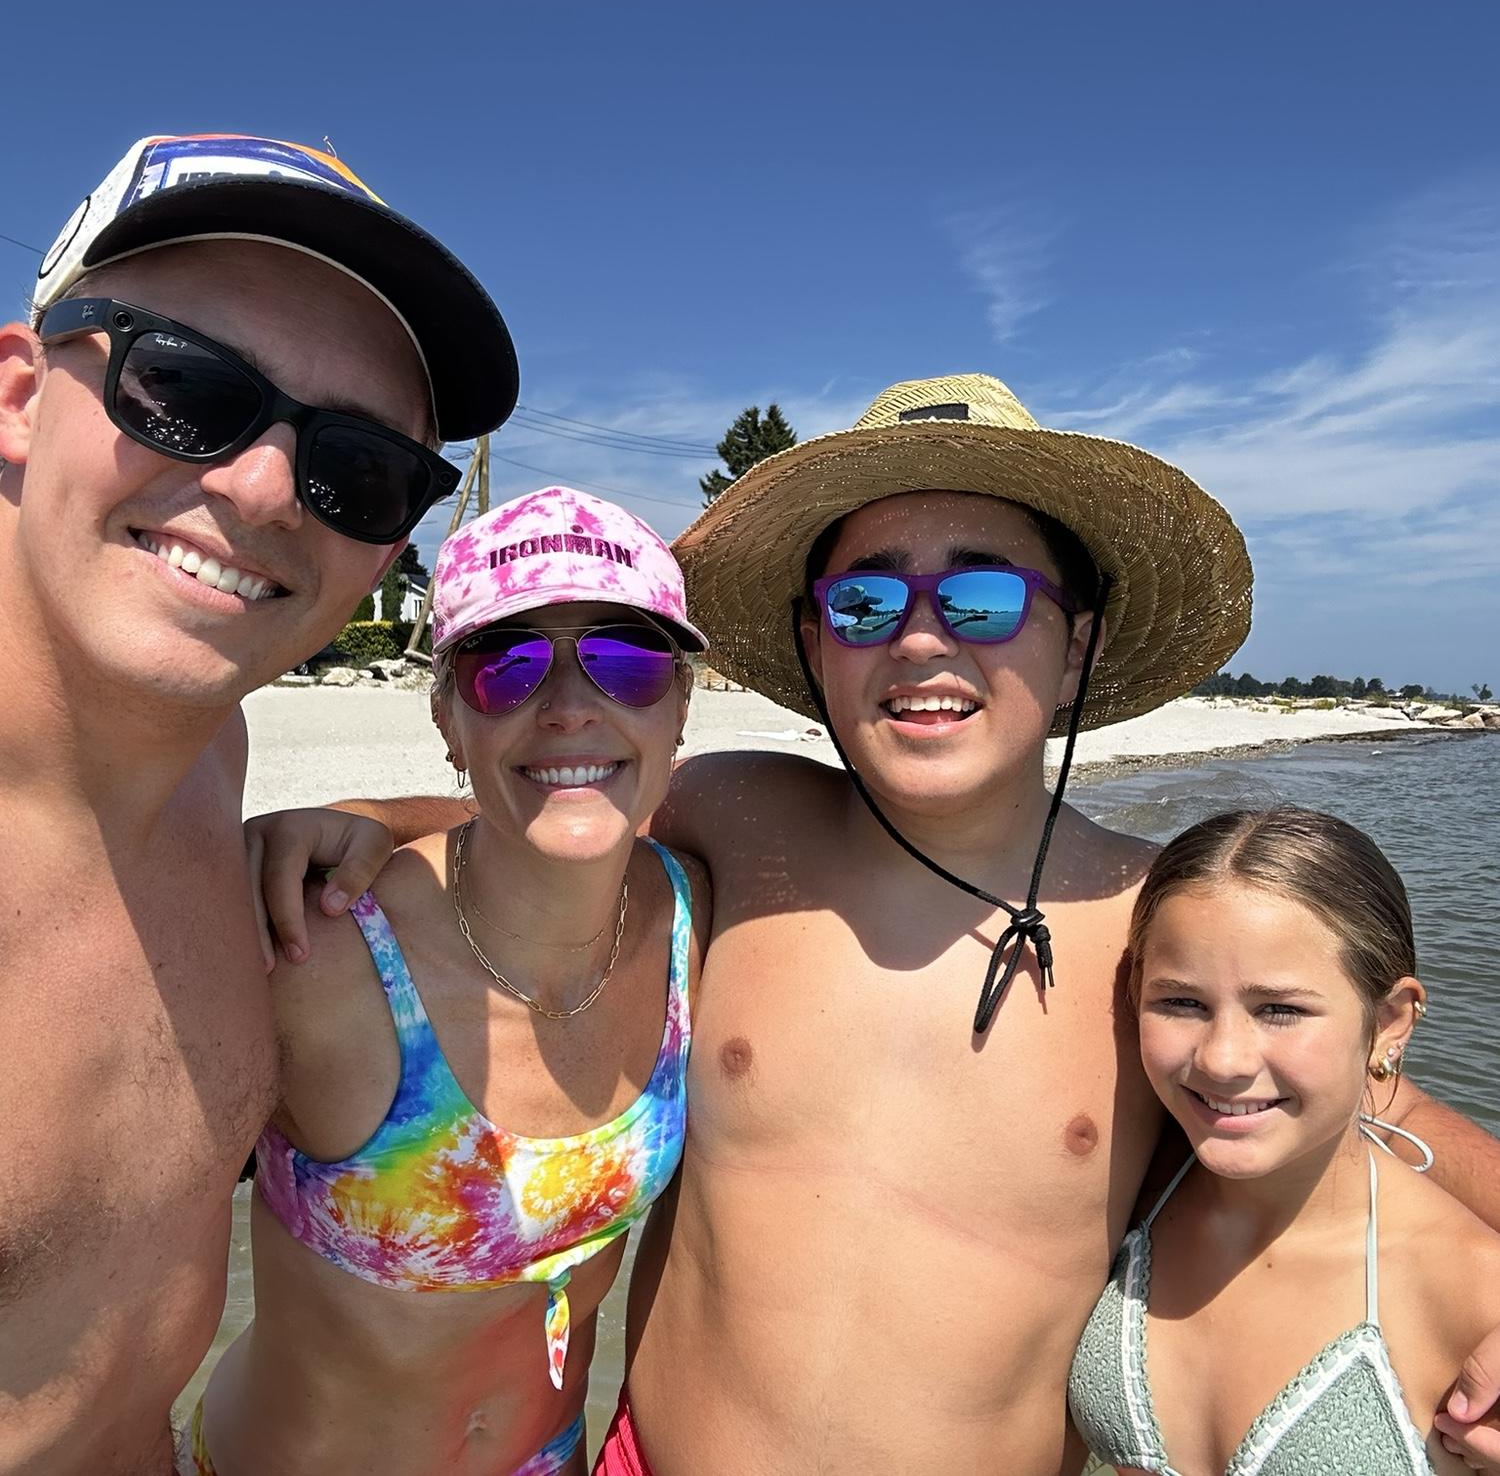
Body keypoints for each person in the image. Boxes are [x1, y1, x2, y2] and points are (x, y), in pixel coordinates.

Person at [258, 375, 1500, 1474]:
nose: (918, 640)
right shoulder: (742, 820)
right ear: (816, 645)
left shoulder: (1151, 926)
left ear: (1077, 647)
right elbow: (561, 800)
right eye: (864, 605)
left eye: (981, 597)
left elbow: (1359, 1102)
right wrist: (365, 815)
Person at [0, 132, 517, 1476]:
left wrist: (377, 821)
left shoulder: (205, 751)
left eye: (359, 468)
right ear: (18, 396)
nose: (266, 488)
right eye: (184, 388)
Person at [187, 488, 709, 1476]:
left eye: (627, 661)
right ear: (446, 716)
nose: (570, 706)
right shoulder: (317, 949)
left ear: (681, 703)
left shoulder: (695, 919)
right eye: (506, 667)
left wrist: (383, 811)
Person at [1068, 807, 1500, 1474]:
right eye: (1181, 1002)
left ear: (1390, 1023)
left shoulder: (1470, 1293)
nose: (1222, 1059)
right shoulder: (1128, 1191)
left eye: (1280, 1009)